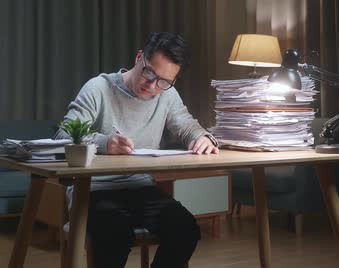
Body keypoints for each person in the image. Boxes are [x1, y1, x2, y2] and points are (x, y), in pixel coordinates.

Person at [55, 32, 218, 268]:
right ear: (139, 57)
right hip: (93, 189)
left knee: (185, 229)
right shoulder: (99, 88)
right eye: (149, 73)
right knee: (115, 233)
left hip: (140, 187)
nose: (152, 86)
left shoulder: (167, 94)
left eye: (164, 81)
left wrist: (202, 137)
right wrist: (103, 143)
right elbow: (63, 135)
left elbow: (186, 125)